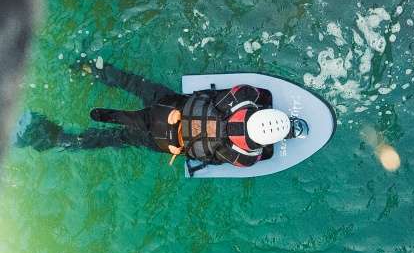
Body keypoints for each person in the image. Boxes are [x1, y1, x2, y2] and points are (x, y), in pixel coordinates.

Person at [18, 63, 303, 169]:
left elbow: (261, 95)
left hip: (166, 106)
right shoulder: (246, 158)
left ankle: (88, 70)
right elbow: (262, 155)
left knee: (130, 82)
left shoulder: (243, 96)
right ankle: (61, 139)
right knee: (116, 136)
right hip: (165, 141)